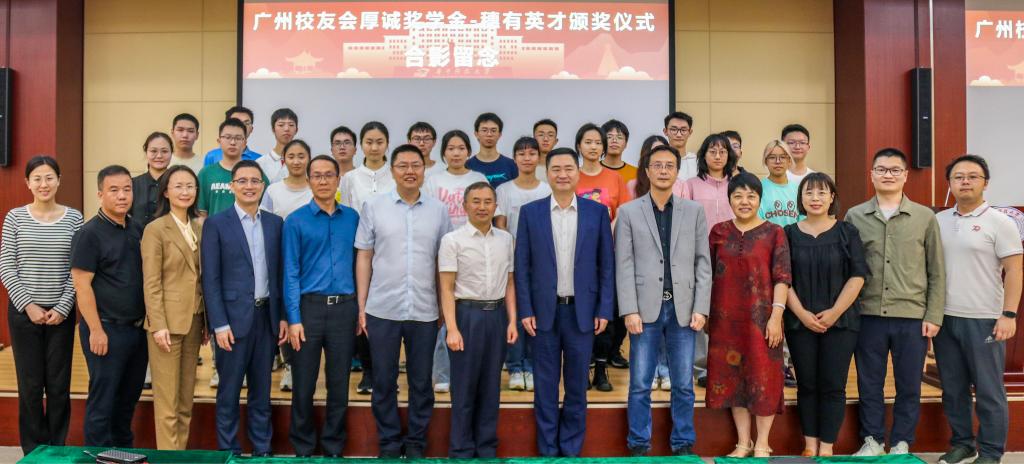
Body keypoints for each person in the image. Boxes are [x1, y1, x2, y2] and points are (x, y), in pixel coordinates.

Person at [515, 147, 614, 457]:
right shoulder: (530, 213)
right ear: (547, 173)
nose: (562, 174)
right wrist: (525, 309)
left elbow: (606, 265)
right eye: (556, 169)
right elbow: (522, 266)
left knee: (576, 386)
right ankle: (548, 449)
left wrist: (604, 308)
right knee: (545, 386)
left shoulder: (596, 212)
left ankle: (570, 449)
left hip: (582, 313)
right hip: (543, 313)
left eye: (568, 168)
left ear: (577, 172)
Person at [846, 148, 945, 457]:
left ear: (905, 175)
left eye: (894, 170)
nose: (887, 174)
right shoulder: (855, 216)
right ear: (872, 175)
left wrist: (934, 315)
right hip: (867, 314)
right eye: (881, 169)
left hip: (912, 315)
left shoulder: (925, 217)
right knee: (869, 382)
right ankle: (872, 440)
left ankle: (902, 442)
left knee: (909, 384)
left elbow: (936, 270)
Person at [355, 145, 452, 459]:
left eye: (416, 165)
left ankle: (416, 443)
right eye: (402, 165)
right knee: (383, 380)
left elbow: (443, 262)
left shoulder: (439, 210)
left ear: (424, 169)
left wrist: (443, 306)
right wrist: (362, 306)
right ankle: (388, 442)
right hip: (382, 308)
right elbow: (364, 256)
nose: (410, 171)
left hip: (424, 309)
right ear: (392, 170)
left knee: (421, 382)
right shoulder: (374, 207)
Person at [615, 145, 711, 457]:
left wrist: (701, 308)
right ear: (647, 171)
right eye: (657, 165)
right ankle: (638, 444)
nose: (663, 170)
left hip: (684, 308)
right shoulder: (629, 212)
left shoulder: (694, 212)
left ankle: (683, 443)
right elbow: (624, 264)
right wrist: (629, 309)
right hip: (644, 310)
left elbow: (703, 262)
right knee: (640, 383)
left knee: (683, 383)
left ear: (677, 172)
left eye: (669, 165)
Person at [934, 155, 1022, 464]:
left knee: (988, 390)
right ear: (950, 183)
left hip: (984, 318)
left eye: (973, 176)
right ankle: (963, 444)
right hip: (945, 317)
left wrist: (1009, 314)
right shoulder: (939, 220)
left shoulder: (1001, 222)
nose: (965, 181)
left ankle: (991, 452)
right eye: (958, 176)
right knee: (953, 388)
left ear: (985, 183)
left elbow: (1015, 270)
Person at [201, 160, 286, 456]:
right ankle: (229, 451)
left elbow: (279, 274)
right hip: (232, 322)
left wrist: (282, 317)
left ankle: (262, 450)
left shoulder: (275, 224)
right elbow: (210, 278)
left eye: (255, 181)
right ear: (232, 186)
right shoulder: (216, 223)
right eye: (242, 181)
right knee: (229, 392)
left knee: (262, 391)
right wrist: (219, 324)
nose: (249, 186)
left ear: (262, 186)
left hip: (266, 318)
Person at [0, 156, 82, 455]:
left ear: (59, 180)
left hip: (61, 314)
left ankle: (57, 449)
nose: (43, 184)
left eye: (49, 177)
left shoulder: (74, 218)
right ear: (28, 183)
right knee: (30, 387)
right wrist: (29, 306)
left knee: (59, 387)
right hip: (24, 315)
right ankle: (34, 451)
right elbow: (7, 266)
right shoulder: (15, 217)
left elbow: (78, 268)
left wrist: (63, 307)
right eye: (37, 178)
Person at [706, 172, 791, 458]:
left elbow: (782, 278)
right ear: (729, 199)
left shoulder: (774, 232)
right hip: (725, 322)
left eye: (751, 196)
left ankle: (763, 442)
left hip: (763, 322)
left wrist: (776, 316)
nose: (744, 201)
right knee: (734, 378)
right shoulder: (718, 232)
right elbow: (706, 275)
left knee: (764, 378)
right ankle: (744, 442)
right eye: (738, 196)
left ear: (759, 199)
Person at [784, 173, 867, 458]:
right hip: (799, 322)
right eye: (809, 193)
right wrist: (802, 314)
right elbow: (783, 279)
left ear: (832, 197)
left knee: (833, 384)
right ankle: (809, 445)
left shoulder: (847, 232)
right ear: (801, 198)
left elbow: (857, 276)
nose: (815, 198)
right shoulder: (788, 233)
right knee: (807, 384)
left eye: (822, 193)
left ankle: (827, 447)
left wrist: (834, 313)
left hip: (841, 322)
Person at [283, 155, 360, 458]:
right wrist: (293, 318)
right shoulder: (295, 221)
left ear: (338, 179)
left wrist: (360, 309)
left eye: (329, 175)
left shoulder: (353, 218)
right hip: (308, 310)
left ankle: (333, 447)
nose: (323, 180)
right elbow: (290, 272)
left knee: (339, 384)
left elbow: (361, 265)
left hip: (344, 309)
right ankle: (303, 447)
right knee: (303, 384)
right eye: (317, 175)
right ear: (309, 180)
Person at [70, 165, 148, 447]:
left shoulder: (137, 229)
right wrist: (95, 330)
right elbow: (82, 285)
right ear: (100, 194)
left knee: (128, 399)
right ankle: (98, 455)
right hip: (105, 330)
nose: (122, 195)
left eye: (127, 189)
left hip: (137, 330)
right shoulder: (89, 233)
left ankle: (123, 452)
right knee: (103, 400)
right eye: (114, 190)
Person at [439, 182, 518, 458]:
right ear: (464, 205)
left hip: (496, 316)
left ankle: (486, 447)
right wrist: (451, 328)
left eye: (487, 201)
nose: (482, 207)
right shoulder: (452, 240)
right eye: (476, 201)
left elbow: (510, 283)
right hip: (466, 316)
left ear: (495, 206)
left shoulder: (505, 239)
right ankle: (461, 449)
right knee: (464, 386)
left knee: (491, 386)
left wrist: (512, 320)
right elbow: (446, 288)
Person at [140, 165, 206, 450]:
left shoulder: (200, 227)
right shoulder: (155, 229)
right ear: (166, 192)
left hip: (194, 320)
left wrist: (206, 322)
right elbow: (151, 282)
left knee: (185, 400)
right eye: (178, 186)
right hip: (166, 325)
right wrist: (158, 325)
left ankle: (180, 455)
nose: (185, 191)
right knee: (167, 403)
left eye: (190, 186)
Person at [423, 130, 490, 393]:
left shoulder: (478, 178)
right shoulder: (433, 180)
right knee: (444, 311)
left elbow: (489, 212)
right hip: (443, 251)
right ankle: (442, 372)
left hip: (475, 252)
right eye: (451, 148)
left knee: (469, 312)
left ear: (468, 152)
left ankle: (471, 371)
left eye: (461, 148)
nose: (456, 153)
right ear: (443, 153)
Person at [681, 133, 738, 390]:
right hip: (698, 256)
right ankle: (702, 367)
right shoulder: (691, 185)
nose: (717, 156)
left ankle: (729, 363)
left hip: (732, 257)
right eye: (712, 151)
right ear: (703, 155)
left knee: (728, 311)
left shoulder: (737, 184)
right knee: (700, 309)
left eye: (722, 151)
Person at [574, 123, 629, 391]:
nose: (593, 147)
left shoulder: (614, 178)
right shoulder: (572, 176)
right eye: (588, 142)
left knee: (607, 314)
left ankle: (601, 369)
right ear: (579, 146)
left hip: (608, 254)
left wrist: (607, 233)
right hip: (578, 257)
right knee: (581, 314)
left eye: (598, 142)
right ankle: (583, 367)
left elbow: (623, 213)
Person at [494, 136, 551, 392]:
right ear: (514, 158)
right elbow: (501, 228)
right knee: (515, 315)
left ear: (539, 158)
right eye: (521, 153)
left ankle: (531, 366)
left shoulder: (547, 189)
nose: (527, 158)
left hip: (542, 263)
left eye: (532, 153)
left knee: (537, 314)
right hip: (512, 261)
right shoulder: (504, 190)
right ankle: (515, 367)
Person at [199, 118, 270, 217]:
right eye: (227, 137)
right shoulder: (206, 173)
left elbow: (266, 210)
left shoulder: (256, 173)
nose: (232, 142)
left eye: (238, 138)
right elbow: (201, 213)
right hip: (215, 227)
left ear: (244, 143)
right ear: (219, 141)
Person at [340, 121, 394, 214]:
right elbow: (345, 214)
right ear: (361, 144)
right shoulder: (349, 178)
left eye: (380, 142)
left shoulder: (397, 175)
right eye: (369, 142)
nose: (374, 148)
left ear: (387, 144)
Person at [261, 139, 312, 218]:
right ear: (284, 160)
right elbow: (264, 220)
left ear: (309, 159)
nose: (296, 162)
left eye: (301, 157)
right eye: (291, 157)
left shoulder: (317, 189)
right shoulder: (272, 190)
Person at [132, 132, 173, 227]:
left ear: (172, 153)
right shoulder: (133, 184)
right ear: (146, 152)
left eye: (164, 151)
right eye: (153, 151)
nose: (159, 156)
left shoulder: (178, 184)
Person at [759, 140, 803, 228]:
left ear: (789, 160)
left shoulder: (798, 189)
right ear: (766, 161)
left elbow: (803, 220)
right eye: (772, 157)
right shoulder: (758, 189)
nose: (778, 161)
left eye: (783, 157)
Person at [467, 112, 518, 188]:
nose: (489, 134)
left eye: (493, 130)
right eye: (484, 130)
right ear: (476, 134)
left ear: (500, 134)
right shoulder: (467, 166)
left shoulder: (512, 165)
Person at [256, 108, 299, 184]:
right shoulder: (260, 163)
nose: (286, 129)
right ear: (273, 129)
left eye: (291, 125)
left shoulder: (303, 162)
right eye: (281, 125)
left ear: (296, 130)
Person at [663, 112, 698, 181]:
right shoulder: (658, 160)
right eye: (674, 129)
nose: (679, 135)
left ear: (690, 132)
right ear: (665, 131)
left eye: (683, 130)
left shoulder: (697, 162)